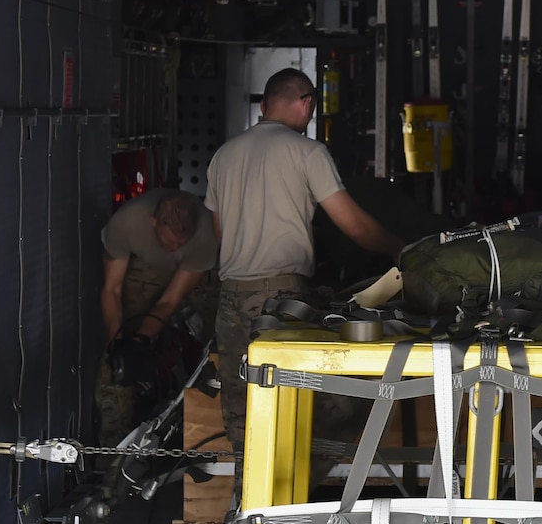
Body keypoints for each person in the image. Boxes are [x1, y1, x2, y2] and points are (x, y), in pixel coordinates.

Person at [205, 68, 403, 448]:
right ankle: (307, 490)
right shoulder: (307, 151)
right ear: (307, 102)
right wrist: (400, 249)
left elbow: (220, 233)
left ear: (263, 106)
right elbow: (355, 226)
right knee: (326, 404)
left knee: (244, 407)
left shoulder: (223, 156)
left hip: (229, 296)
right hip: (280, 299)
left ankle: (247, 501)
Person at [95, 188, 218, 442]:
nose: (173, 248)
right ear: (153, 222)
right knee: (117, 363)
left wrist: (141, 339)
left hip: (197, 274)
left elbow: (170, 300)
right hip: (145, 267)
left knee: (220, 342)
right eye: (168, 241)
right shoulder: (126, 223)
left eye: (179, 243)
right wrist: (118, 345)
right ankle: (113, 444)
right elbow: (111, 288)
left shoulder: (205, 233)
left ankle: (204, 430)